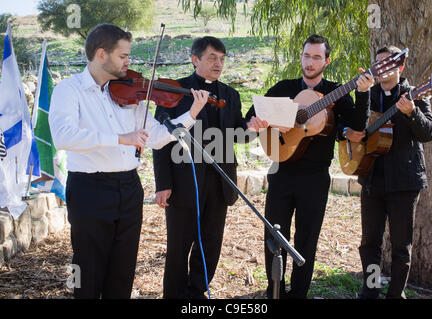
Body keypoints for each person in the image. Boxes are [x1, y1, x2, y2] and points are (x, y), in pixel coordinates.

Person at [48, 24, 210, 299]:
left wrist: (191, 114)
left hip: (129, 187)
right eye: (123, 56)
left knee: (122, 271)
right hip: (90, 188)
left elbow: (158, 137)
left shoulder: (131, 94)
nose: (128, 62)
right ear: (101, 54)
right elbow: (63, 137)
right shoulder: (68, 90)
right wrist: (120, 138)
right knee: (87, 270)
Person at [246, 34, 374, 299]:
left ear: (326, 61)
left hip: (315, 178)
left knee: (307, 240)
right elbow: (252, 115)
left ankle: (299, 294)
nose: (310, 62)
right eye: (306, 55)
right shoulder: (284, 87)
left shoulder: (337, 93)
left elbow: (358, 127)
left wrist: (362, 93)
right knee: (274, 238)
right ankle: (274, 292)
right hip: (280, 173)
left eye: (317, 57)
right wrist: (265, 124)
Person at [153, 36, 257, 299]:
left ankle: (197, 295)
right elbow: (160, 141)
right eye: (212, 57)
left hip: (220, 182)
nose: (218, 64)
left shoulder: (231, 95)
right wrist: (163, 184)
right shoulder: (174, 90)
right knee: (178, 247)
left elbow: (237, 135)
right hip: (182, 182)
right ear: (195, 59)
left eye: (222, 59)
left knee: (210, 245)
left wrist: (252, 130)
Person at [340, 45, 432, 299]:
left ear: (400, 66)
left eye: (388, 63)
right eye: (378, 63)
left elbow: (429, 132)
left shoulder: (414, 94)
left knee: (401, 247)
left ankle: (396, 294)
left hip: (404, 182)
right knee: (369, 243)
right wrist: (361, 98)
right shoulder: (369, 92)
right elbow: (355, 127)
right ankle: (371, 290)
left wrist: (412, 112)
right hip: (372, 177)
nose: (382, 68)